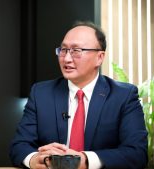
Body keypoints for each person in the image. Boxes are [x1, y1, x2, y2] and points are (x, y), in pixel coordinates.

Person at [9, 21, 148, 169]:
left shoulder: (124, 96)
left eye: (76, 51)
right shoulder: (41, 93)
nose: (67, 59)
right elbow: (19, 145)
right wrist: (34, 159)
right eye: (63, 50)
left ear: (99, 57)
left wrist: (85, 160)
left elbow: (137, 153)